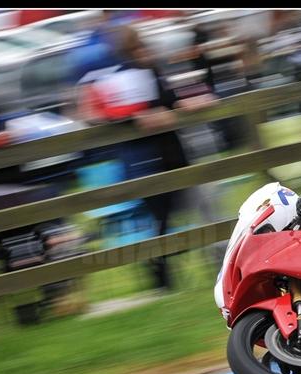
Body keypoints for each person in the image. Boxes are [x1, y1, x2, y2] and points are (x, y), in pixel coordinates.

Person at [81, 25, 217, 289]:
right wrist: (137, 117)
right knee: (161, 223)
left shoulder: (152, 71)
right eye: (138, 48)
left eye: (144, 46)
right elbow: (96, 114)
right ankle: (162, 280)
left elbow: (170, 100)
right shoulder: (119, 79)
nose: (145, 52)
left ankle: (219, 268)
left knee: (205, 209)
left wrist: (190, 104)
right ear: (127, 52)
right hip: (147, 163)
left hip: (175, 157)